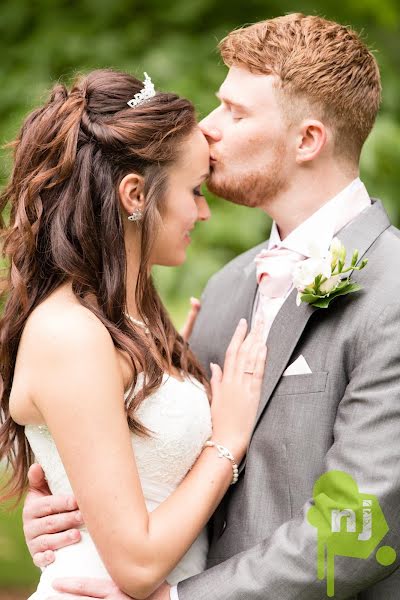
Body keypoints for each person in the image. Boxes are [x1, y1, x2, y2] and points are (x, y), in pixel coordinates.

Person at [21, 12, 400, 599]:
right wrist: (71, 511)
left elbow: (363, 522)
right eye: (218, 104)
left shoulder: (392, 288)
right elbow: (161, 454)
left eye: (237, 113)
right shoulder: (227, 286)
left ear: (308, 140)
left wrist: (183, 599)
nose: (208, 128)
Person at [0, 68, 268, 599]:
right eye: (194, 190)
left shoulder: (133, 318)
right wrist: (226, 442)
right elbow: (138, 566)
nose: (204, 211)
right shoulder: (69, 334)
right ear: (134, 194)